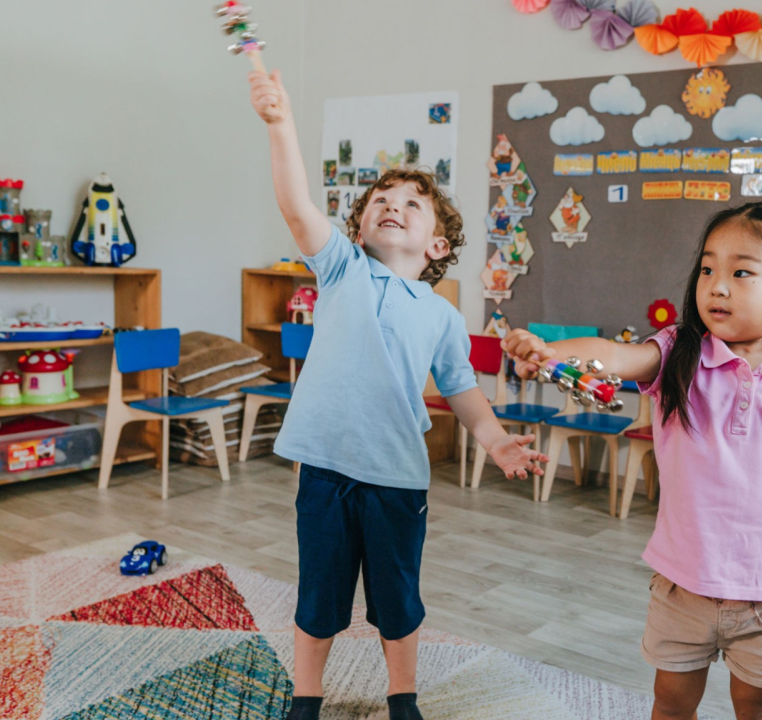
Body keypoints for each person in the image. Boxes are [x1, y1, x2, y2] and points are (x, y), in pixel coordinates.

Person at [248, 69, 548, 720]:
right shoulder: (341, 269)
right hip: (324, 472)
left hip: (396, 481)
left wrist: (496, 440)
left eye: (413, 203)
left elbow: (461, 389)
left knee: (397, 600)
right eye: (381, 198)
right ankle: (306, 699)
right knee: (319, 597)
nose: (393, 205)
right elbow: (297, 206)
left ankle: (402, 697)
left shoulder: (441, 314)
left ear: (437, 243)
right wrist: (281, 126)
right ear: (359, 230)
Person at [504, 203, 762, 720]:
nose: (717, 287)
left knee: (758, 706)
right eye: (708, 269)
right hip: (682, 585)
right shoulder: (679, 353)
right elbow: (616, 355)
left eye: (741, 272)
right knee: (671, 704)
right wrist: (551, 351)